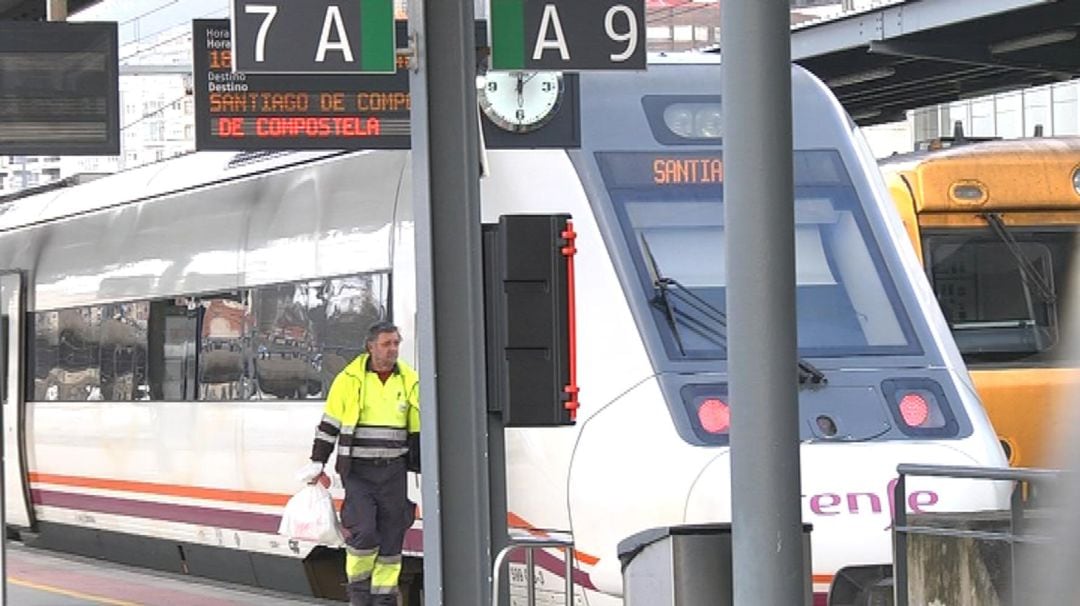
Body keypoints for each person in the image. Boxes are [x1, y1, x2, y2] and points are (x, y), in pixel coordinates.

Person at [297, 320, 420, 606]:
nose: (393, 350)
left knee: (392, 538)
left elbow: (424, 421)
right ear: (371, 346)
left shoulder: (409, 380)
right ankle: (359, 596)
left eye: (396, 344)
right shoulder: (349, 380)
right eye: (387, 344)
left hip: (394, 472)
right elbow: (329, 425)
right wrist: (318, 463)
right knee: (363, 531)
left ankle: (384, 600)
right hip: (359, 474)